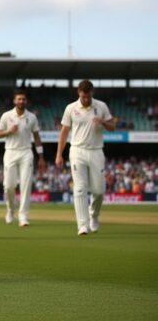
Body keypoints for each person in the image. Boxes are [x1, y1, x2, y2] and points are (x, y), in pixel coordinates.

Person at [55, 80, 116, 236]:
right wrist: (59, 154)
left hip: (96, 151)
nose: (86, 100)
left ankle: (93, 216)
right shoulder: (71, 108)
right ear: (78, 93)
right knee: (80, 188)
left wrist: (102, 121)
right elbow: (64, 132)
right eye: (83, 97)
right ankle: (82, 225)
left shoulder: (101, 106)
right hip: (77, 151)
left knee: (99, 191)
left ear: (92, 93)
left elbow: (112, 126)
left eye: (88, 97)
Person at [0, 90, 46, 227]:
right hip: (11, 152)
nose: (21, 101)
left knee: (26, 184)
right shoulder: (7, 116)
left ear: (26, 101)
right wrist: (9, 131)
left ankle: (23, 216)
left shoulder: (32, 117)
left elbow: (36, 137)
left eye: (23, 99)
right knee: (9, 186)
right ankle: (10, 210)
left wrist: (41, 156)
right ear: (14, 101)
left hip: (26, 152)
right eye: (19, 99)